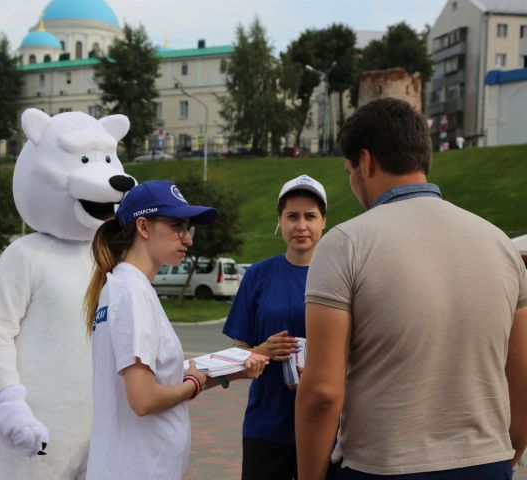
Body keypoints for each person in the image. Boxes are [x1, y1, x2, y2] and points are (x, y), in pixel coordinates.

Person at [296, 97, 527, 480]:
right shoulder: (500, 244)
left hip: (383, 465)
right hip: (487, 461)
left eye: (350, 170)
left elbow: (321, 393)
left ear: (365, 163)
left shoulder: (346, 243)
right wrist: (507, 457)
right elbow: (522, 380)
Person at [83, 180, 267, 480]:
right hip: (138, 469)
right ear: (143, 226)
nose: (188, 239)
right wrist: (193, 385)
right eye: (177, 226)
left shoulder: (120, 285)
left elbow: (156, 376)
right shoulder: (133, 293)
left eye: (188, 228)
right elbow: (143, 399)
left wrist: (232, 369)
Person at [223, 174, 328, 480]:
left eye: (310, 216)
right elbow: (238, 353)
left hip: (326, 425)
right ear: (280, 221)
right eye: (292, 216)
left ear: (324, 221)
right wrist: (260, 352)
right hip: (266, 425)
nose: (301, 225)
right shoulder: (258, 275)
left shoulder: (340, 274)